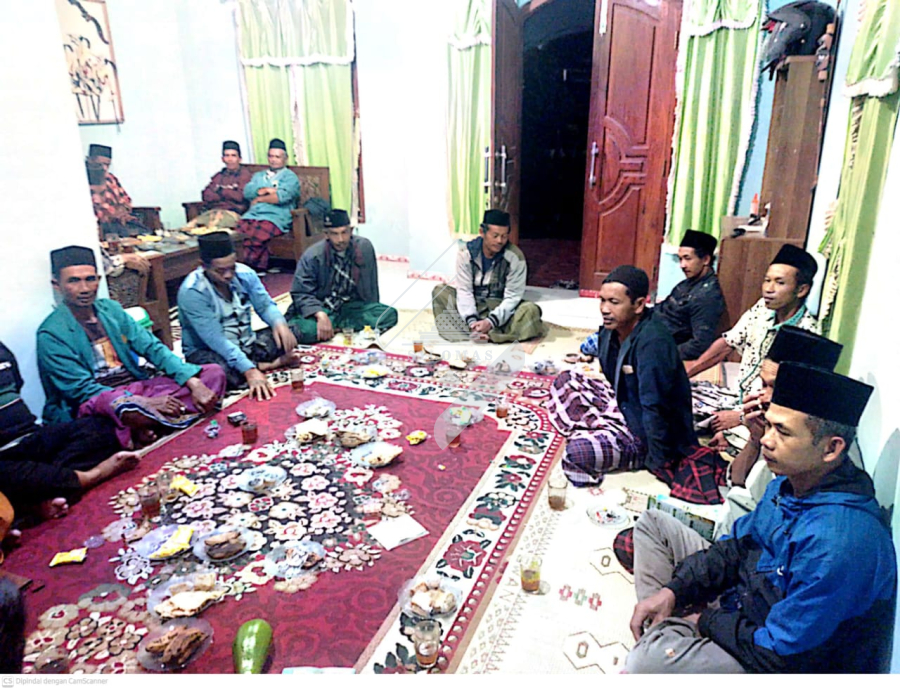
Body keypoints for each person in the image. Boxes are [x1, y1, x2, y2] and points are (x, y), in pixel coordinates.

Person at [626, 363, 895, 674]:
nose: (766, 439)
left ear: (831, 449)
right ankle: (668, 632)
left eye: (782, 431)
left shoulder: (837, 543)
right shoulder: (789, 483)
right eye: (768, 426)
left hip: (774, 658)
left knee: (647, 662)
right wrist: (674, 590)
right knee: (651, 525)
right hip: (745, 601)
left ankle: (666, 640)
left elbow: (781, 654)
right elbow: (736, 547)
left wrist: (706, 621)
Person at [36, 246, 226, 449]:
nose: (84, 288)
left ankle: (141, 426)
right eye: (74, 281)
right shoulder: (51, 333)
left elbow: (153, 348)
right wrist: (141, 402)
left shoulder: (111, 310)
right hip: (100, 401)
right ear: (57, 285)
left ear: (98, 280)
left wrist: (193, 382)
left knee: (213, 373)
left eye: (90, 279)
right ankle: (151, 421)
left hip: (136, 387)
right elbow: (81, 390)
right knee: (120, 409)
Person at [547, 265, 697, 486]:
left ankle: (609, 438)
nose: (605, 309)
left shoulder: (654, 343)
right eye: (602, 300)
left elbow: (656, 407)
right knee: (565, 380)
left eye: (614, 302)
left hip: (646, 432)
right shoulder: (611, 330)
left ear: (639, 305)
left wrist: (659, 461)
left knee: (577, 453)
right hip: (626, 405)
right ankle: (599, 427)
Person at [685, 244, 820, 434]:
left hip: (760, 418)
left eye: (780, 283)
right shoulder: (762, 309)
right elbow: (727, 343)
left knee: (681, 425)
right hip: (736, 397)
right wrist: (688, 372)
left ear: (801, 290)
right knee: (670, 396)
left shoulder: (806, 335)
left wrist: (739, 418)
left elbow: (788, 402)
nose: (769, 289)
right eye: (767, 280)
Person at [0, 341, 139, 522]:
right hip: (4, 455)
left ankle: (45, 492)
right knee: (7, 474)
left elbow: (16, 384)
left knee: (99, 427)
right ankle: (94, 475)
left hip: (31, 436)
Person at [178, 232, 300, 398]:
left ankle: (255, 364)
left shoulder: (244, 274)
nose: (228, 275)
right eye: (220, 271)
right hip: (210, 351)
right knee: (217, 373)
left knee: (292, 331)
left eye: (232, 268)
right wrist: (249, 370)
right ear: (203, 266)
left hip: (246, 344)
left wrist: (279, 323)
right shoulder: (193, 292)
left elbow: (265, 305)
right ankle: (266, 365)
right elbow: (216, 340)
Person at [432, 209, 546, 343]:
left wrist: (491, 322)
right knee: (440, 292)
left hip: (500, 307)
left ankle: (490, 334)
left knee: (530, 311)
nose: (500, 241)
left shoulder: (515, 257)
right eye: (495, 235)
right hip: (474, 303)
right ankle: (477, 331)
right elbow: (464, 291)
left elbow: (513, 296)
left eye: (504, 236)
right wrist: (472, 321)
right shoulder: (466, 254)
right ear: (482, 232)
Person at [285, 209, 398, 343]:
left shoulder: (364, 248)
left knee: (389, 315)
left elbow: (371, 286)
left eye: (344, 232)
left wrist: (371, 310)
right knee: (304, 330)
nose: (340, 240)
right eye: (335, 234)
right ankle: (332, 325)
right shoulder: (313, 256)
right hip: (323, 307)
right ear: (326, 234)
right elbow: (300, 292)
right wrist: (320, 315)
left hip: (350, 307)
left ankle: (335, 326)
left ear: (351, 231)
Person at [235, 138, 301, 271]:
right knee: (238, 234)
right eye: (271, 156)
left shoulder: (290, 177)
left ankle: (251, 268)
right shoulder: (259, 176)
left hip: (275, 217)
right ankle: (240, 267)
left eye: (277, 157)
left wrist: (260, 199)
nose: (273, 160)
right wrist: (267, 190)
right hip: (252, 215)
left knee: (256, 235)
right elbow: (247, 192)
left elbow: (281, 197)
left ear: (285, 158)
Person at [86, 143, 149, 238]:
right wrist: (108, 215)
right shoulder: (81, 181)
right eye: (99, 164)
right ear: (89, 161)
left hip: (119, 224)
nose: (104, 168)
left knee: (146, 233)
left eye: (107, 165)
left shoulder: (111, 179)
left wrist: (122, 210)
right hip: (97, 228)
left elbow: (126, 201)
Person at [189, 140, 254, 230]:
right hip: (212, 211)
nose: (230, 159)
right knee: (190, 228)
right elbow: (206, 195)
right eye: (227, 155)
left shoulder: (245, 175)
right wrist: (229, 192)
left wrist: (220, 191)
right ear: (222, 159)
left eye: (233, 156)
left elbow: (240, 197)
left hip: (234, 213)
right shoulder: (218, 176)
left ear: (240, 159)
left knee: (212, 229)